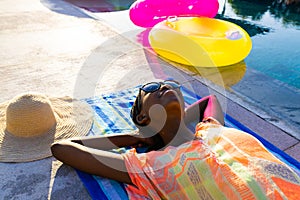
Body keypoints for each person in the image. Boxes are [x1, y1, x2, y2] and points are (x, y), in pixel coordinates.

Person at [51, 80, 300, 199]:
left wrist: (179, 120)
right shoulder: (150, 166)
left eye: (171, 85)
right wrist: (137, 137)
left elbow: (209, 102)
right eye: (150, 88)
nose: (163, 86)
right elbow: (62, 148)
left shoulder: (211, 128)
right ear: (142, 115)